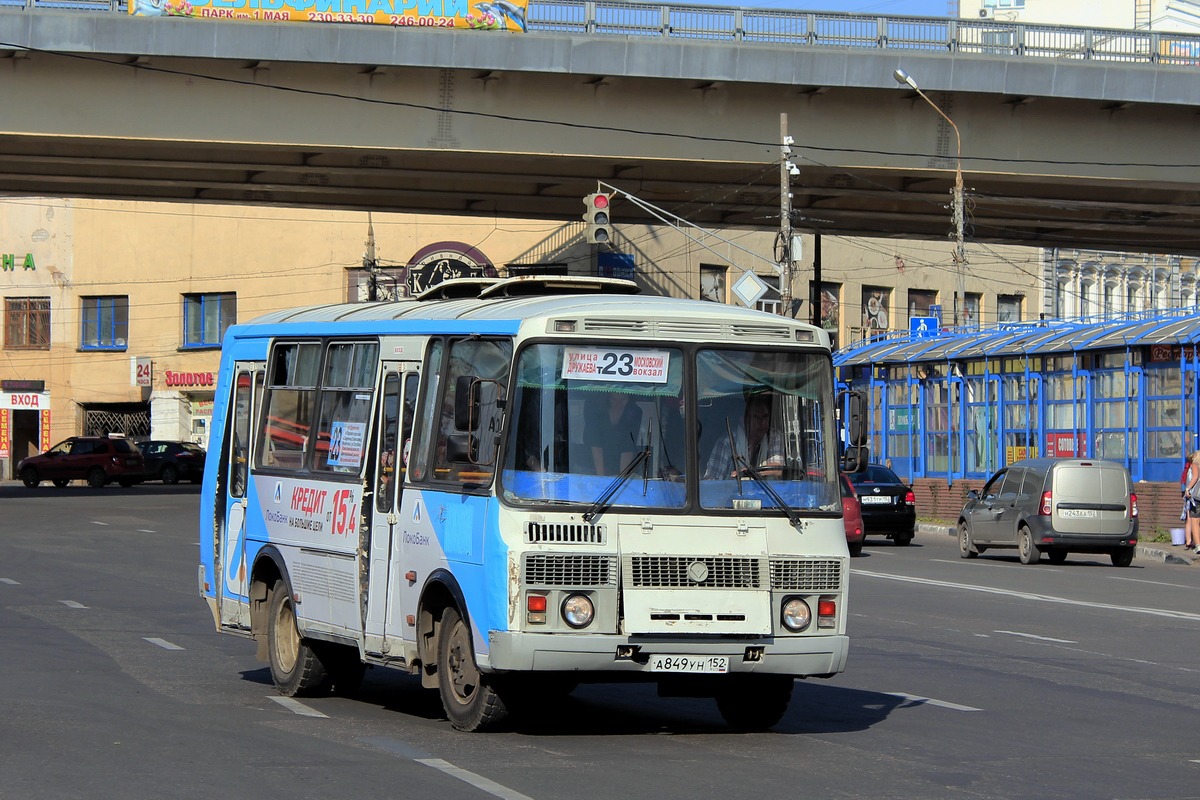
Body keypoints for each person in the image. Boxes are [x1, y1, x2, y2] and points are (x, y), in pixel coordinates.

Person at [703, 393, 786, 479]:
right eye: (756, 417)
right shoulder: (728, 442)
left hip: (768, 492)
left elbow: (777, 469)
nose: (762, 423)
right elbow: (712, 478)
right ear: (744, 420)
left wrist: (748, 473)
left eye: (765, 417)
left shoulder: (773, 437)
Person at [584, 392, 643, 475]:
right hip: (590, 467)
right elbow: (595, 443)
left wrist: (622, 480)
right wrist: (601, 478)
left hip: (618, 469)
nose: (619, 404)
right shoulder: (594, 408)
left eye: (623, 400)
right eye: (614, 400)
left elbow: (628, 447)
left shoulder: (635, 412)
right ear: (606, 398)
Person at [1187, 452, 1200, 553]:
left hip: (1197, 497)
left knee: (1195, 521)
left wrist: (1188, 488)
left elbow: (1195, 477)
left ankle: (1198, 545)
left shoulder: (1195, 465)